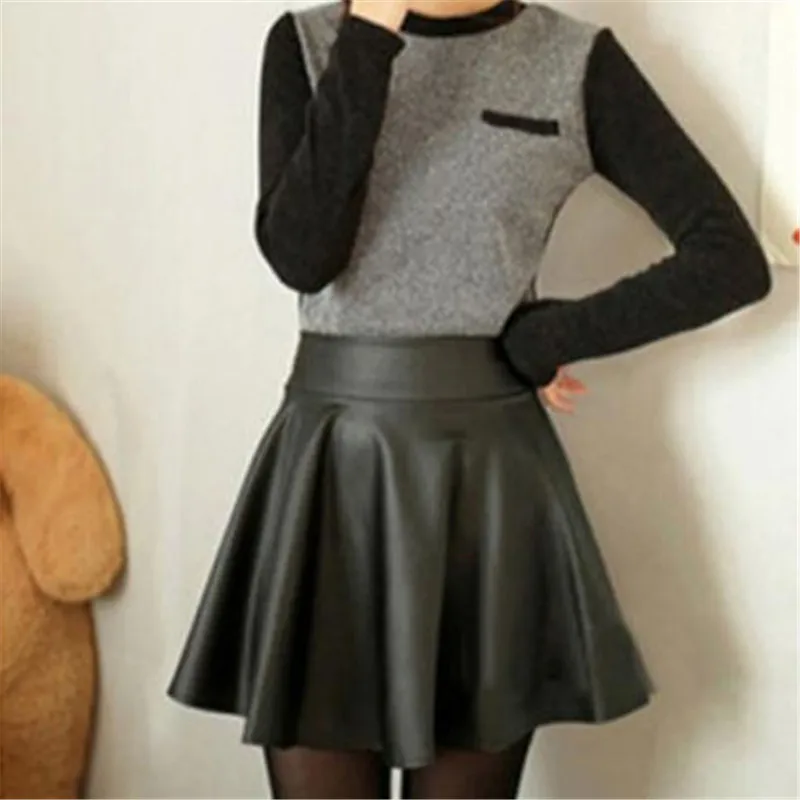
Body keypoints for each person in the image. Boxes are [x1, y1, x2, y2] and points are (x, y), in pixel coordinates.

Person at [167, 0, 772, 797]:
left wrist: (544, 338)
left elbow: (729, 258)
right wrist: (370, 37)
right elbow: (303, 257)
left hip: (488, 487)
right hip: (330, 476)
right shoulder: (309, 44)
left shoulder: (574, 61)